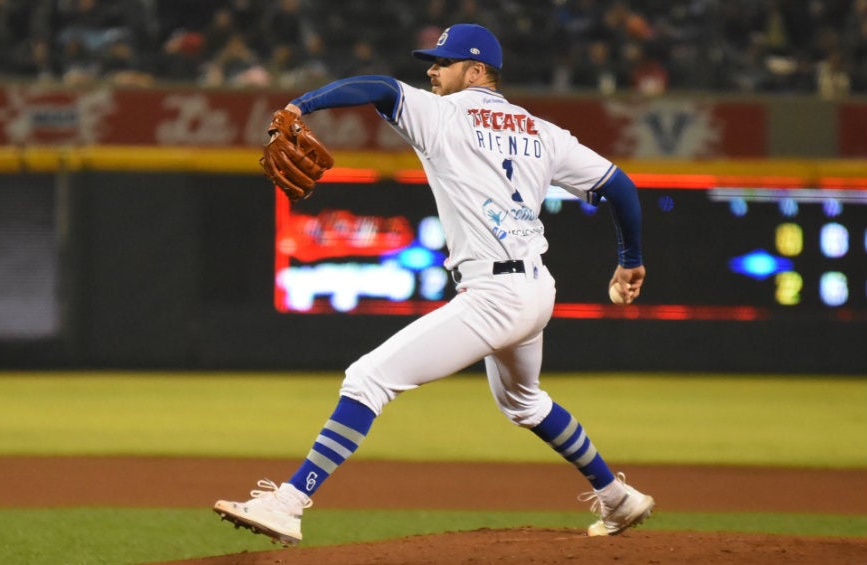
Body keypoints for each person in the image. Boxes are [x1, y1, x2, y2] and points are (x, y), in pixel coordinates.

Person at [214, 23, 653, 546]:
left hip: (495, 296)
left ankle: (288, 503)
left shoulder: (442, 113)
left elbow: (378, 85)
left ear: (475, 71)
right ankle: (617, 499)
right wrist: (629, 261)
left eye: (442, 63)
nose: (431, 70)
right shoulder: (543, 132)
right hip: (537, 290)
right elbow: (621, 187)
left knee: (367, 379)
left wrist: (301, 105)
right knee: (524, 402)